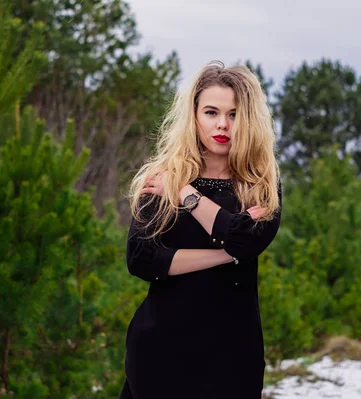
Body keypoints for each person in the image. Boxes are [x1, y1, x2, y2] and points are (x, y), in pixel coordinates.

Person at [119, 60, 283, 399]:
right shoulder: (159, 177)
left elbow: (245, 240)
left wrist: (185, 193)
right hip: (160, 351)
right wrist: (226, 253)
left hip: (233, 356)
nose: (223, 124)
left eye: (234, 114)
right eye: (211, 112)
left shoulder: (260, 185)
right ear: (193, 115)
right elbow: (141, 259)